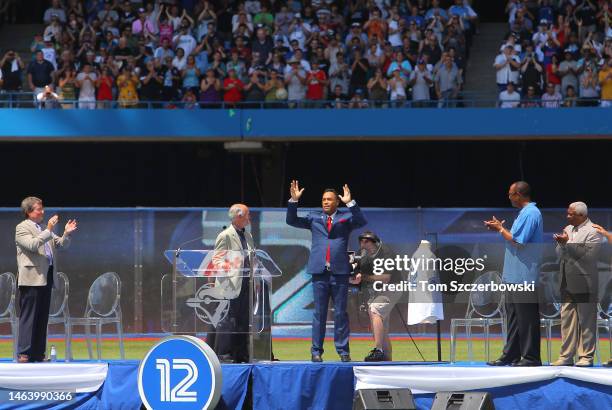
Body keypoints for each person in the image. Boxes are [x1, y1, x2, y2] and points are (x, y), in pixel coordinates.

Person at [286, 181, 367, 362]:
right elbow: (291, 220)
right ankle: (316, 351)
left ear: (337, 202)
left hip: (339, 273)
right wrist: (293, 200)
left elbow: (361, 221)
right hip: (320, 273)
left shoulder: (345, 219)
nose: (326, 202)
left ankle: (343, 351)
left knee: (340, 313)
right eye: (323, 199)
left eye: (329, 199)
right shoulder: (314, 218)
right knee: (319, 314)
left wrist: (350, 203)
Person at [485, 181, 543, 367]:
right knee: (513, 318)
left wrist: (500, 229)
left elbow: (519, 242)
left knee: (526, 318)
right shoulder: (523, 214)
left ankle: (531, 357)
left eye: (511, 194)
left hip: (524, 275)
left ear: (519, 194)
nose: (509, 197)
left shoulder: (531, 213)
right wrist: (501, 229)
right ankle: (511, 354)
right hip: (514, 274)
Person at [16, 197, 77, 363]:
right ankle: (24, 353)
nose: (42, 211)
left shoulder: (43, 228)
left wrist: (66, 233)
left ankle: (38, 353)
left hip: (46, 276)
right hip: (31, 278)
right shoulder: (22, 228)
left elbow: (60, 244)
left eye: (42, 208)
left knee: (42, 316)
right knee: (29, 316)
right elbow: (33, 245)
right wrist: (48, 230)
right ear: (29, 212)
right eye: (38, 209)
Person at [552, 202, 602, 367]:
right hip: (566, 280)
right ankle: (566, 356)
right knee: (567, 321)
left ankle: (586, 357)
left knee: (586, 322)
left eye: (570, 214)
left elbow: (589, 257)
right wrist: (561, 243)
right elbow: (559, 254)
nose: (567, 217)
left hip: (585, 281)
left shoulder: (593, 230)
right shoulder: (568, 228)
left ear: (581, 215)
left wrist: (568, 244)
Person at [207, 204, 255, 363]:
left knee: (243, 320)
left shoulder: (248, 236)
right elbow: (217, 260)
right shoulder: (225, 235)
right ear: (239, 216)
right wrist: (231, 267)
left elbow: (252, 258)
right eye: (247, 215)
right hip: (229, 284)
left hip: (246, 284)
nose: (249, 218)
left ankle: (241, 354)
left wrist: (255, 273)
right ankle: (224, 354)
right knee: (227, 321)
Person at [350, 231, 403, 361]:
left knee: (375, 310)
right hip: (377, 291)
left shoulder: (385, 252)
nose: (362, 243)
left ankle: (378, 350)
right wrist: (354, 277)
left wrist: (364, 277)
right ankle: (387, 359)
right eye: (361, 241)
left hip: (392, 287)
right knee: (382, 328)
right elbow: (357, 275)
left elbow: (386, 278)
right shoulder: (363, 254)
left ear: (375, 242)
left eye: (366, 241)